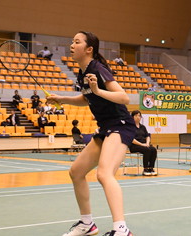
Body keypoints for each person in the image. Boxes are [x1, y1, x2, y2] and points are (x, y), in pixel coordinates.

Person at [47, 31, 135, 236]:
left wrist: (98, 91)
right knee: (76, 171)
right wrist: (62, 98)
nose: (71, 45)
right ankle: (87, 224)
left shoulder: (98, 68)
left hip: (120, 125)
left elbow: (124, 98)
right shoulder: (82, 72)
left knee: (104, 174)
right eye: (71, 41)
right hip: (105, 128)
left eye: (77, 42)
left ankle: (121, 229)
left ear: (89, 49)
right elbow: (87, 98)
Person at [129, 110, 157, 176]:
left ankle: (151, 168)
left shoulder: (143, 127)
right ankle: (145, 169)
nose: (138, 117)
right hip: (134, 146)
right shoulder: (130, 127)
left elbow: (147, 136)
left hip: (144, 144)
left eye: (139, 116)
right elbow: (131, 139)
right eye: (136, 115)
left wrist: (147, 143)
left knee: (153, 149)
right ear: (132, 117)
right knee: (147, 150)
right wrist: (142, 144)